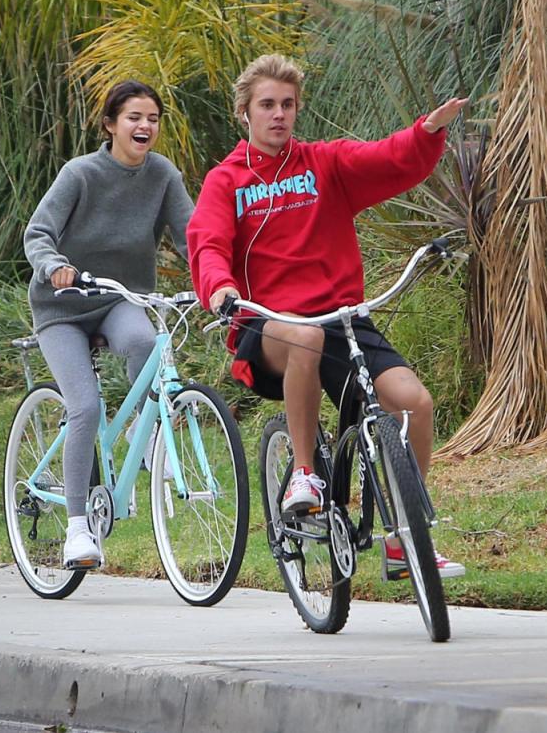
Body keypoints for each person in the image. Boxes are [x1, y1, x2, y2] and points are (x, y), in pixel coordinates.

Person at [187, 54, 468, 577]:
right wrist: (221, 288)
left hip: (339, 318)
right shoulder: (226, 181)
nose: (279, 115)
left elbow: (387, 159)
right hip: (266, 323)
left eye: (288, 105)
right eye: (267, 105)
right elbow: (207, 243)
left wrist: (426, 132)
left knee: (415, 402)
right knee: (304, 340)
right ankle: (302, 472)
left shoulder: (325, 163)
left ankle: (404, 537)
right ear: (244, 113)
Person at [24, 80, 193, 569]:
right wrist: (53, 264)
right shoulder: (79, 174)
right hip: (63, 304)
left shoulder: (162, 175)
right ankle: (78, 529)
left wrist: (218, 278)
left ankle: (143, 426)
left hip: (118, 298)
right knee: (85, 406)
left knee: (145, 341)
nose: (145, 126)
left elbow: (192, 236)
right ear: (110, 124)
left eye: (153, 119)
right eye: (134, 118)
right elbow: (38, 232)